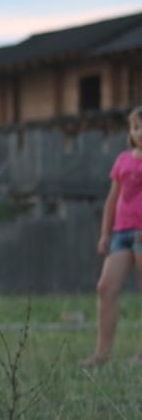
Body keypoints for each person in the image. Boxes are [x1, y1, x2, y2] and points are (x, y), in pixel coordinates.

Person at [81, 105, 142, 367]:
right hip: (120, 233)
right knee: (105, 288)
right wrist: (105, 233)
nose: (141, 132)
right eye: (136, 127)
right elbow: (112, 200)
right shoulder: (123, 160)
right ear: (130, 131)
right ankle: (102, 354)